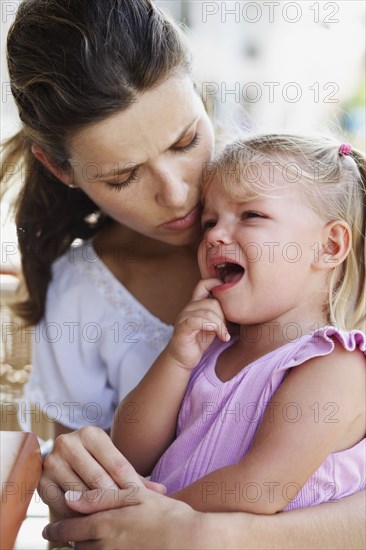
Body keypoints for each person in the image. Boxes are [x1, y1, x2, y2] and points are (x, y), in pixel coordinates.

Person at [2, 0, 365, 547]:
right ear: (61, 170)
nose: (176, 195)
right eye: (122, 176)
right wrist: (72, 473)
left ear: (202, 93)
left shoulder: (302, 201)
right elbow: (105, 472)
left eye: (185, 141)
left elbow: (262, 488)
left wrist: (188, 527)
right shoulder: (94, 297)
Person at [111, 134, 365, 514]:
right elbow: (129, 455)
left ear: (328, 246)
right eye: (210, 221)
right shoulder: (210, 348)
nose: (213, 235)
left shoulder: (335, 365)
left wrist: (141, 520)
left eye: (251, 215)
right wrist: (177, 360)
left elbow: (259, 488)